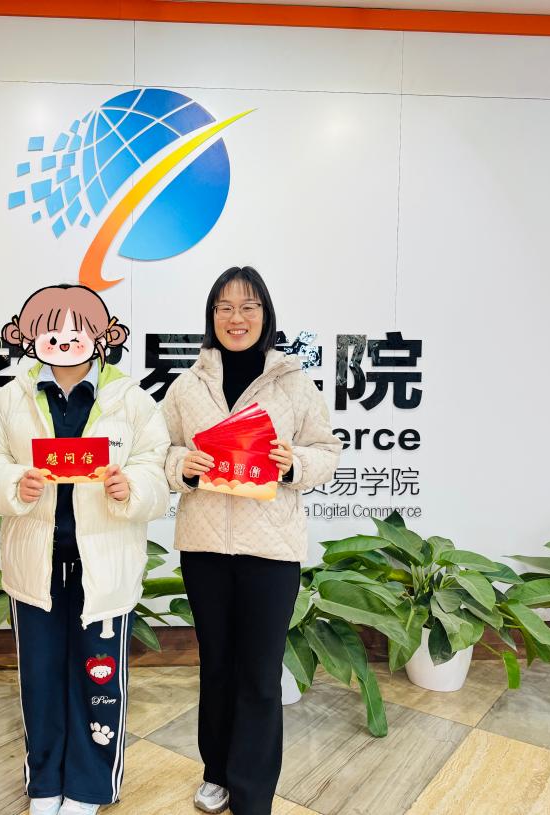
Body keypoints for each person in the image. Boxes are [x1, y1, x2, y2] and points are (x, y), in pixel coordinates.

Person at [0, 284, 169, 815]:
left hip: (104, 565)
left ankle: (89, 786)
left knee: (99, 680)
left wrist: (133, 488)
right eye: (50, 332)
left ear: (104, 336)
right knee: (39, 679)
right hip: (35, 564)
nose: (64, 340)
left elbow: (156, 470)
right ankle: (44, 784)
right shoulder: (8, 398)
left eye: (78, 331)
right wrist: (13, 483)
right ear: (27, 337)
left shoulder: (131, 399)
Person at [161, 266, 341, 815]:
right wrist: (182, 465)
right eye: (224, 307)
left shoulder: (293, 384)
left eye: (248, 307)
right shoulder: (187, 386)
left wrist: (294, 463)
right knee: (216, 665)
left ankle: (253, 792)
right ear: (211, 316)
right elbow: (158, 451)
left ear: (265, 315)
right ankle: (216, 773)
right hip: (205, 549)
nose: (235, 318)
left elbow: (327, 452)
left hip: (271, 551)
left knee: (260, 673)